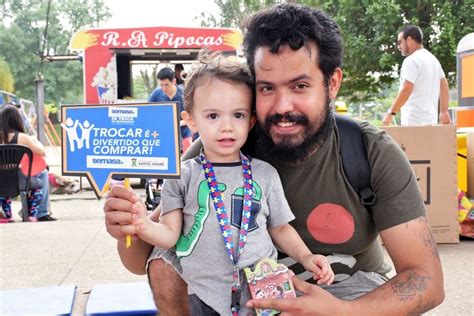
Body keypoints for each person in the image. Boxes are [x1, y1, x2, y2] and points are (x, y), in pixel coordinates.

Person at [104, 4, 444, 315]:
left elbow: (426, 280)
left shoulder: (369, 152)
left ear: (332, 83)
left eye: (299, 86)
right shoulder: (220, 151)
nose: (282, 106)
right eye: (267, 88)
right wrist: (125, 226)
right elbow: (144, 260)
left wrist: (343, 311)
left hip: (344, 288)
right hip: (243, 287)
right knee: (166, 264)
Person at [129, 53, 334, 315]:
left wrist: (306, 257)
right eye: (213, 116)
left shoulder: (265, 174)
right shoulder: (182, 176)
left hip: (262, 295)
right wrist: (141, 224)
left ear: (250, 121)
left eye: (237, 115)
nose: (226, 126)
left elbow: (280, 228)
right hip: (202, 294)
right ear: (191, 120)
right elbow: (169, 235)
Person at [382, 25, 452, 126]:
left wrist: (390, 114)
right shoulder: (433, 60)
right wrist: (444, 112)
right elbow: (444, 84)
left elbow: (407, 89)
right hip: (431, 122)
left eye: (399, 42)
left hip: (413, 123)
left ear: (409, 40)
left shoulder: (411, 61)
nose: (398, 46)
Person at [0, 104, 55, 222]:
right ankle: (40, 212)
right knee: (43, 173)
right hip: (20, 182)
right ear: (17, 119)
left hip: (1, 182)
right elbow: (42, 152)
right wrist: (35, 140)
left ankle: (7, 215)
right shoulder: (23, 138)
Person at [149, 67, 192, 153]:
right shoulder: (156, 94)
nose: (164, 88)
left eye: (166, 85)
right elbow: (147, 112)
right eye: (161, 85)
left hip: (184, 129)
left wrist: (177, 124)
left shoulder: (184, 93)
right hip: (164, 130)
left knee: (188, 153)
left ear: (174, 82)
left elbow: (192, 115)